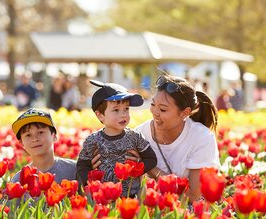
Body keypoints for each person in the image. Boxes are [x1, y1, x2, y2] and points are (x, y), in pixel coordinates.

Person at [91, 74, 220, 203]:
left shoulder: (201, 138)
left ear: (184, 113)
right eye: (153, 105)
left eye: (163, 109)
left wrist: (148, 166)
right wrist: (100, 163)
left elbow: (194, 196)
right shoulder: (140, 134)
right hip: (154, 207)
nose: (154, 112)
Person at [77, 80, 157, 197]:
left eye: (126, 109)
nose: (123, 114)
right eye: (116, 110)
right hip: (103, 196)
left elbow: (151, 158)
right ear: (100, 115)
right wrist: (87, 185)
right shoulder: (92, 140)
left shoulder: (134, 136)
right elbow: (82, 166)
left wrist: (138, 167)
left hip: (131, 196)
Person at [11, 108, 77, 184]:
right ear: (21, 143)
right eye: (28, 135)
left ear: (54, 135)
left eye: (40, 132)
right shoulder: (18, 180)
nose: (35, 139)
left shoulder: (73, 170)